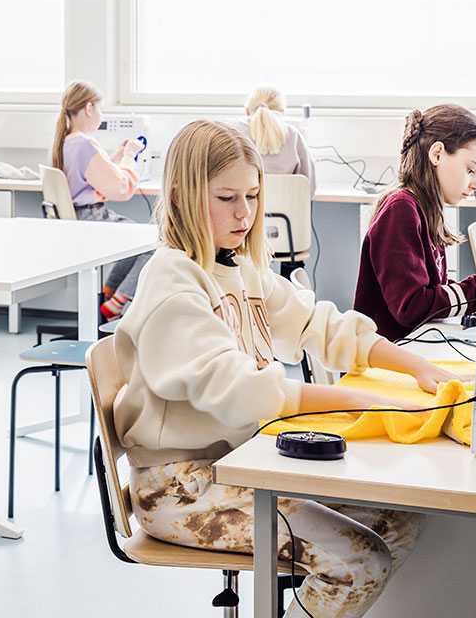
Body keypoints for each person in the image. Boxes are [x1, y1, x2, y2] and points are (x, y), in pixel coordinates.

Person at [115, 120, 457, 617]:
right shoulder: (173, 285)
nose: (246, 213)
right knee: (359, 562)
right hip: (180, 488)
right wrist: (359, 400)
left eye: (253, 196)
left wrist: (411, 364)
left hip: (239, 462)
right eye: (227, 197)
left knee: (399, 522)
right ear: (183, 194)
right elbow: (239, 392)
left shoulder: (236, 266)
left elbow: (317, 324)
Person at [354, 105, 476, 341]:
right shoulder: (401, 209)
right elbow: (412, 307)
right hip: (385, 361)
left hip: (405, 350)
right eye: (471, 170)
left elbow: (430, 289)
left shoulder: (424, 209)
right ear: (437, 153)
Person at [52, 81, 149, 320]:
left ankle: (110, 293)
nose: (101, 115)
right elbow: (122, 189)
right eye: (100, 109)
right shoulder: (84, 143)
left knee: (137, 238)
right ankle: (119, 300)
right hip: (91, 221)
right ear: (88, 108)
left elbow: (94, 175)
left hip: (78, 219)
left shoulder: (66, 141)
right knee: (153, 243)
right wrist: (129, 157)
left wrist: (115, 156)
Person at [242, 86, 316, 278]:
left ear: (246, 111)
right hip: (289, 241)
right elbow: (308, 188)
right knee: (290, 241)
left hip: (244, 234)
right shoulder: (293, 136)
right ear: (281, 113)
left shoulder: (234, 133)